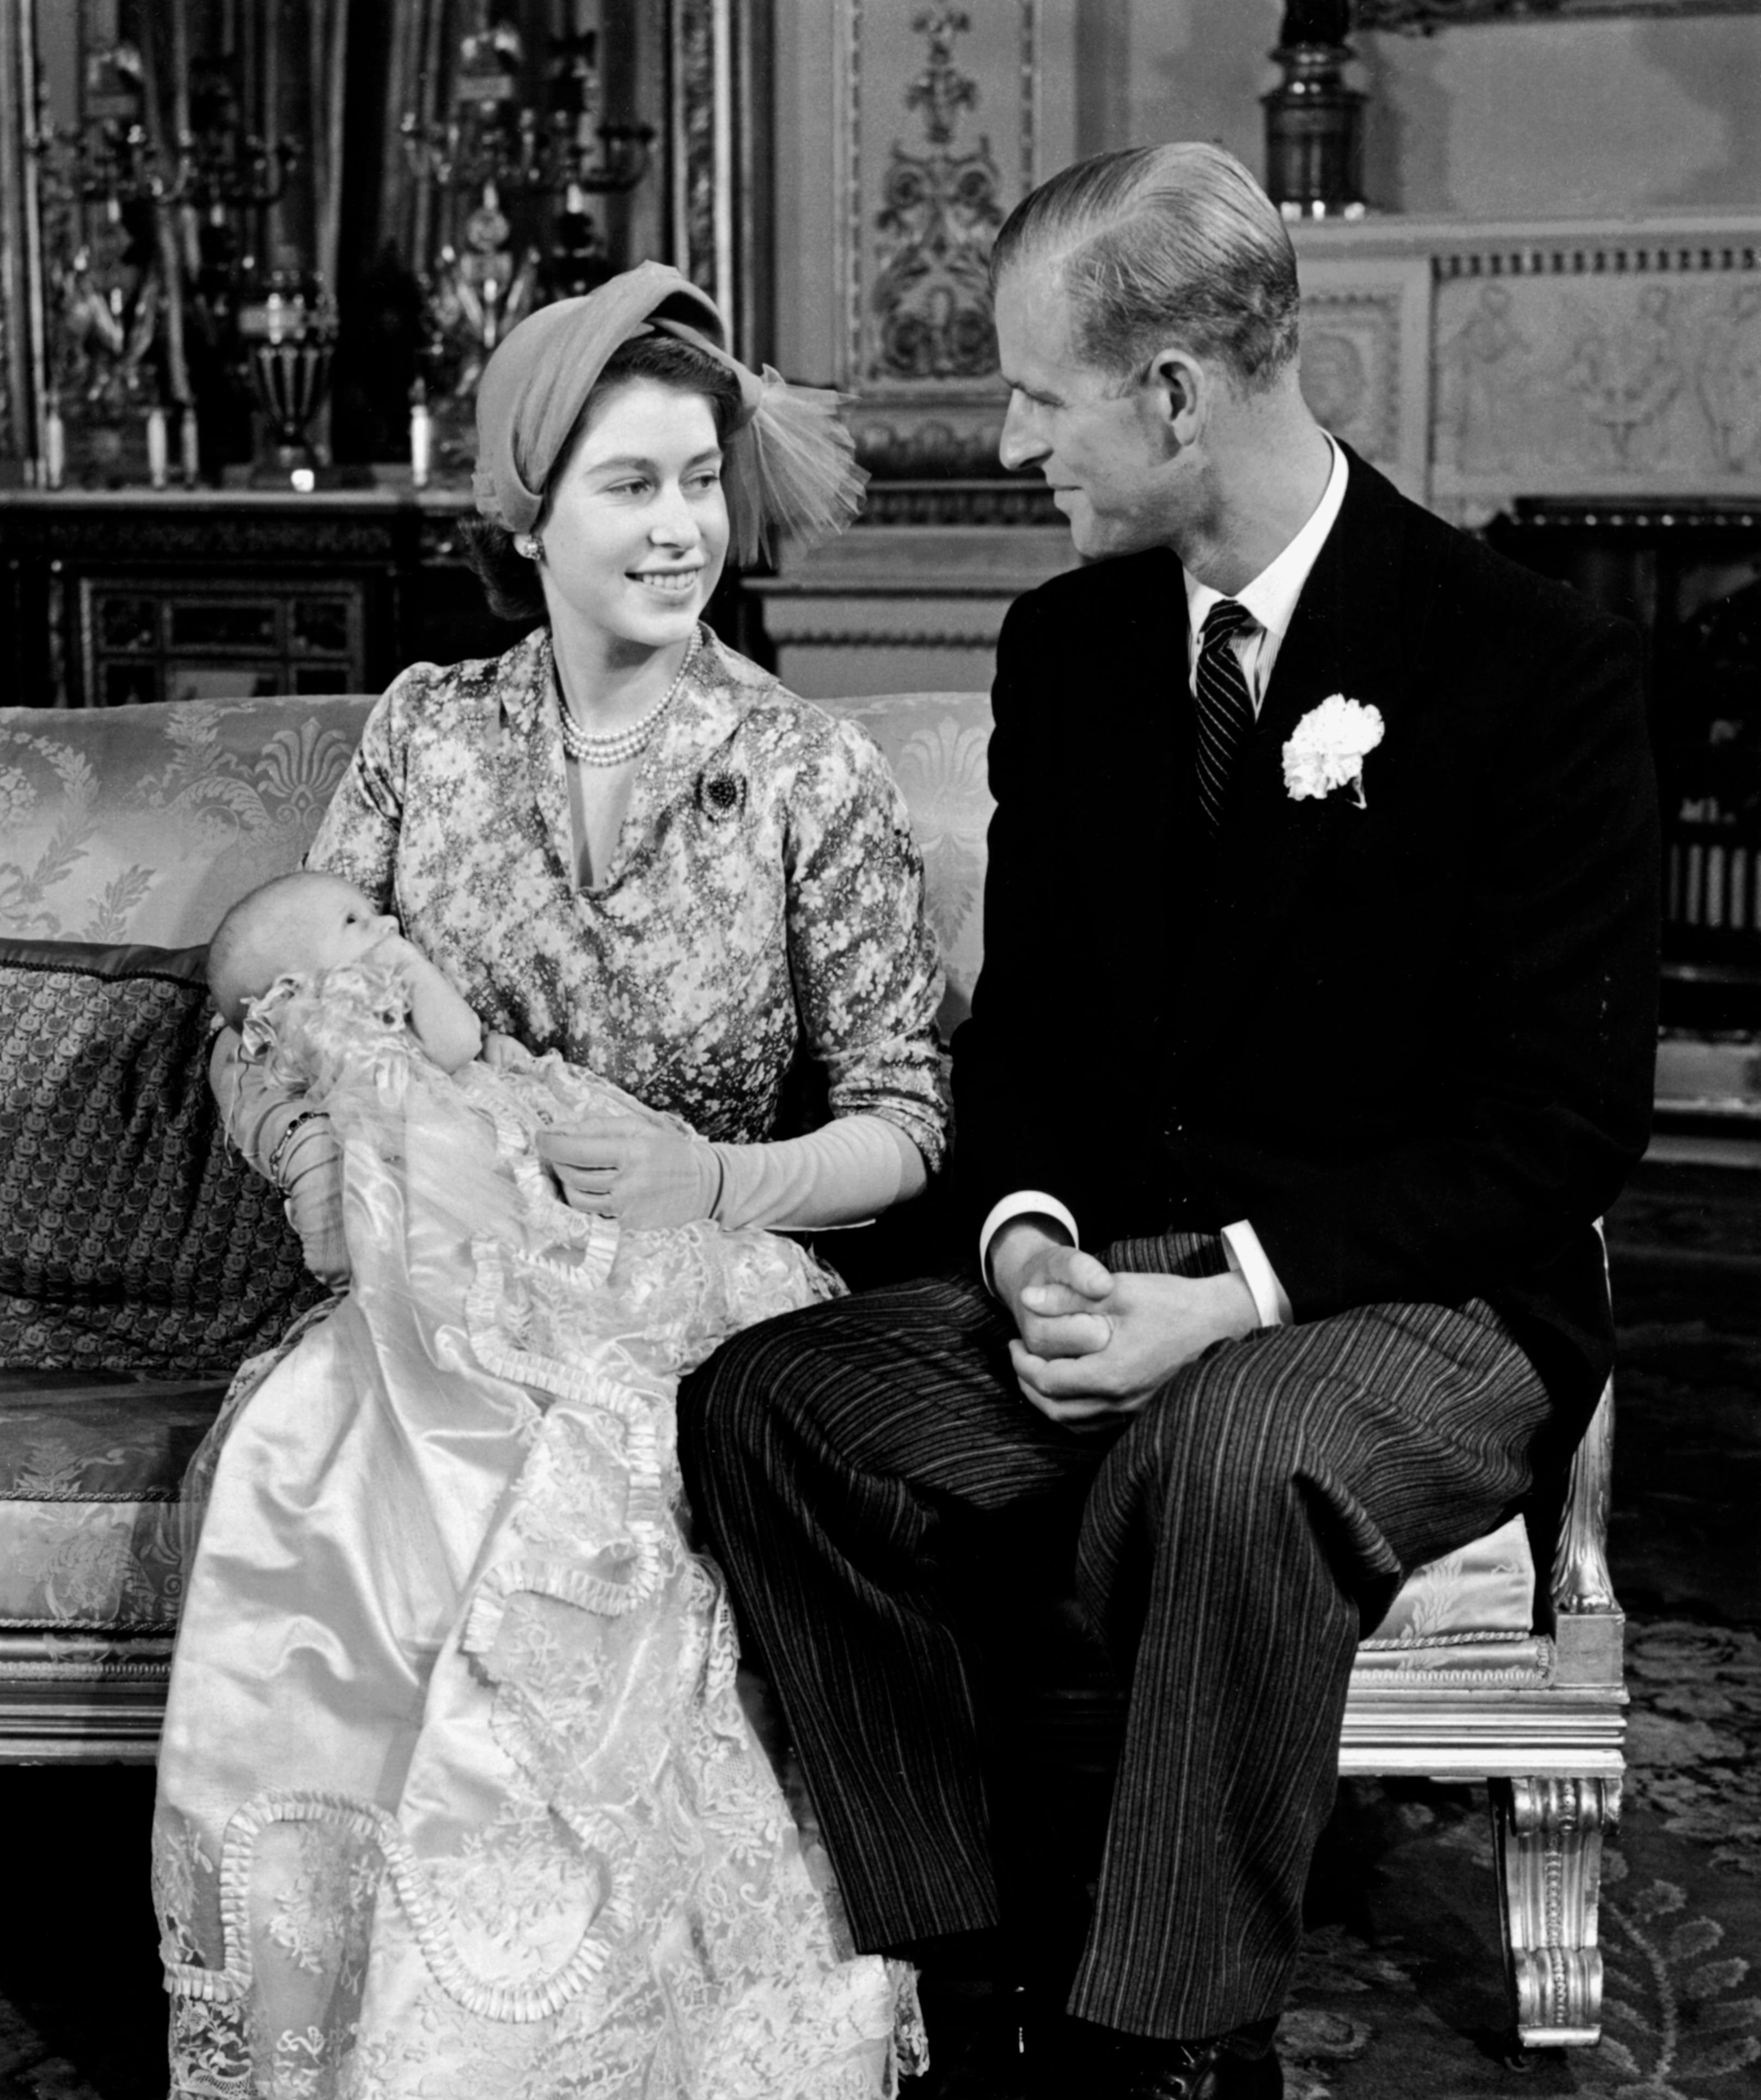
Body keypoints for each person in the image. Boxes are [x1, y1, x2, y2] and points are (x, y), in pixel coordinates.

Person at [676, 144, 1661, 2100]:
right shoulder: (1067, 655)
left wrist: (1234, 1297)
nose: (1016, 439)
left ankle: (1160, 2046)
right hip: (1125, 1272)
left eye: (1041, 396)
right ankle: (966, 1975)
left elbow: (1560, 1132)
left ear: (1176, 395)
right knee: (768, 1407)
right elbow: (1030, 1049)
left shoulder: (1528, 666)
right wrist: (1033, 1240)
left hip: (1418, 1302)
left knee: (1226, 1454)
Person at [153, 262, 949, 2100]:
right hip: (440, 1276)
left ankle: (613, 2042)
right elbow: (287, 1016)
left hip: (702, 1283)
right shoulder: (429, 733)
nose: (682, 531)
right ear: (530, 510)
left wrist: (712, 1177)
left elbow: (906, 1120)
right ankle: (352, 2024)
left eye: (698, 483)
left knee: (593, 1491)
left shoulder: (805, 769)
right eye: (631, 487)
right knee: (312, 1457)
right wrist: (353, 1199)